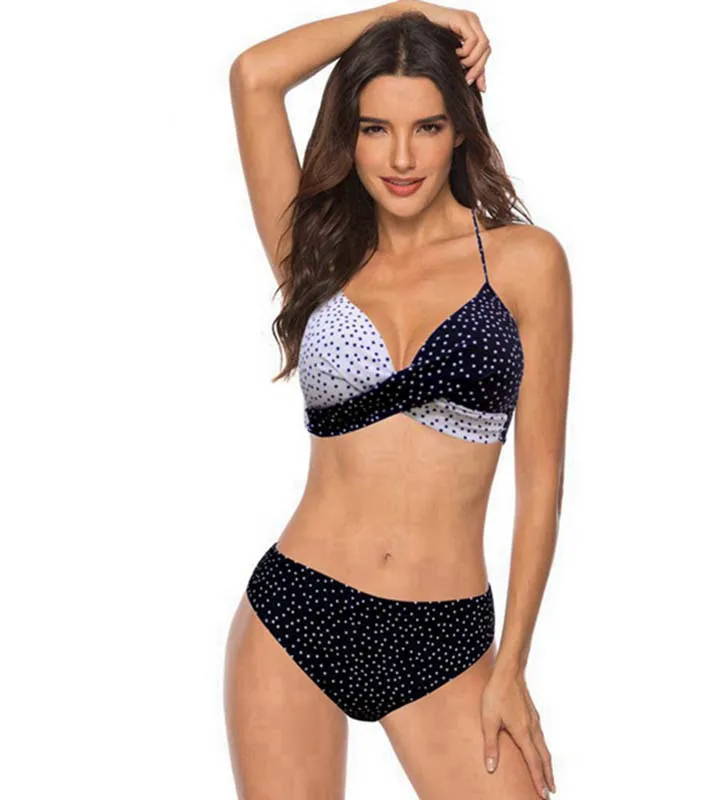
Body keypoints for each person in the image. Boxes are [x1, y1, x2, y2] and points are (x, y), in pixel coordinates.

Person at [224, 2, 572, 797]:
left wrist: (512, 667)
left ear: (462, 130)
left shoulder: (526, 263)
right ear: (349, 135)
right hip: (296, 613)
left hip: (444, 637)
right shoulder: (315, 255)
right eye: (375, 128)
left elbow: (543, 482)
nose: (402, 156)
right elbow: (253, 77)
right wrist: (407, 13)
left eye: (428, 126)